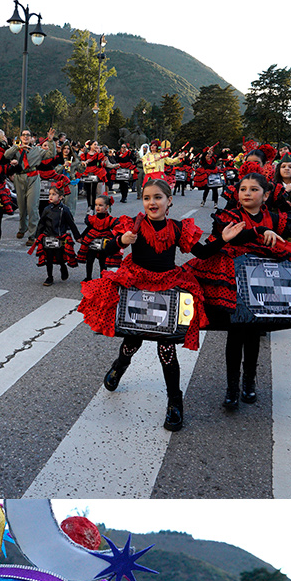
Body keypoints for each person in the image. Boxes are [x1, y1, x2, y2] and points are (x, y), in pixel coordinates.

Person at [184, 171, 291, 410]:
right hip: (235, 281)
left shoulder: (275, 218)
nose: (247, 194)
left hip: (261, 280)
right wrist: (260, 232)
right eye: (243, 189)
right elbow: (236, 237)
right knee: (235, 333)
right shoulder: (229, 215)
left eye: (253, 190)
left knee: (253, 333)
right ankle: (232, 387)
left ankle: (249, 382)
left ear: (266, 195)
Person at [76, 178, 209, 431]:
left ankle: (174, 401)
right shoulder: (133, 226)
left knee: (166, 348)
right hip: (137, 286)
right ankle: (119, 366)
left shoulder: (179, 228)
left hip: (167, 288)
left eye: (158, 197)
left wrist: (223, 240)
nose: (152, 202)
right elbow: (105, 249)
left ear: (169, 201)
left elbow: (202, 253)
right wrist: (122, 241)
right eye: (147, 198)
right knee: (132, 341)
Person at [30, 182, 80, 286]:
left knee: (59, 257)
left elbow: (71, 224)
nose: (50, 196)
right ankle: (49, 277)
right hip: (48, 237)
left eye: (53, 194)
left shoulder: (65, 210)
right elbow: (41, 223)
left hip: (60, 237)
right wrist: (36, 236)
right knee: (48, 258)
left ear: (61, 197)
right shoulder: (47, 209)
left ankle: (63, 266)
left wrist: (77, 237)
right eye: (50, 194)